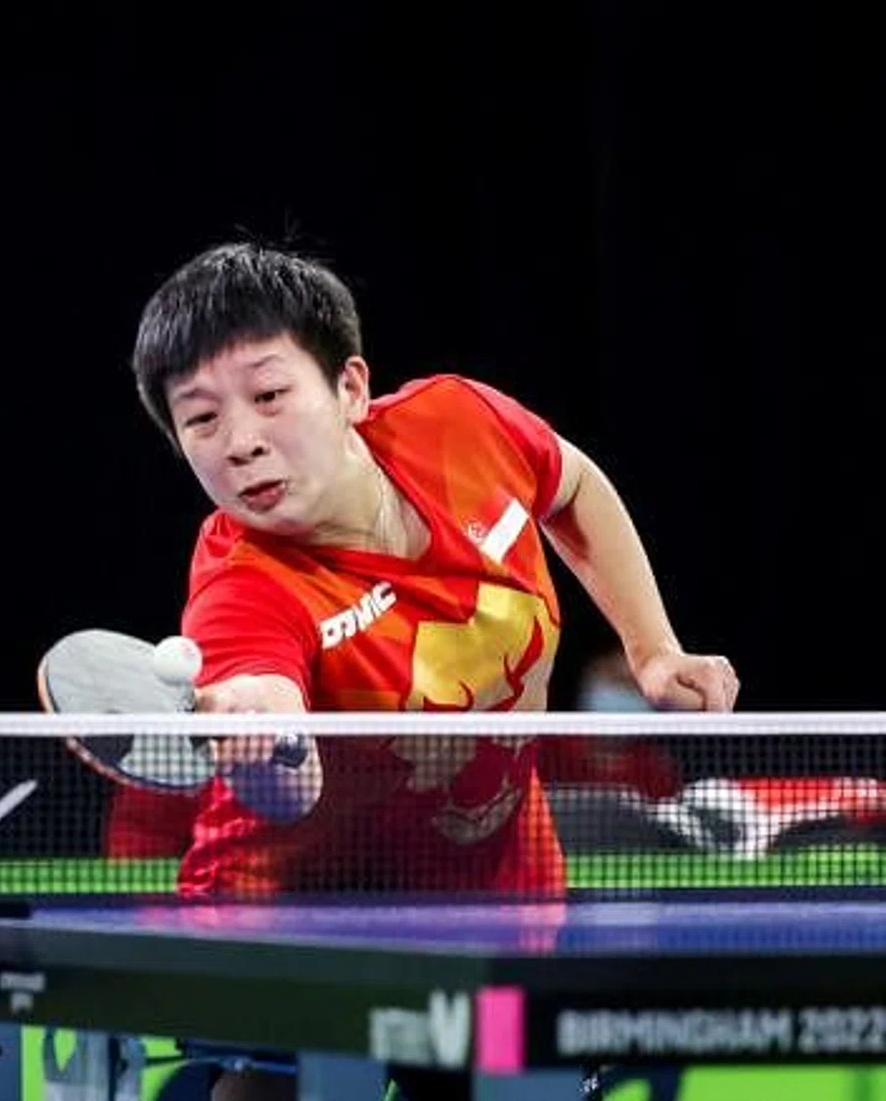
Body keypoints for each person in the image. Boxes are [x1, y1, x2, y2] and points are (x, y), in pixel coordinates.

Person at [129, 241, 738, 1101]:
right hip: (297, 924)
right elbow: (273, 730)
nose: (241, 443)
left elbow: (572, 485)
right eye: (201, 419)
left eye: (270, 396)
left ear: (348, 388)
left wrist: (652, 647)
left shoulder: (458, 424)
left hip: (498, 899)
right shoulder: (241, 588)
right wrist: (267, 743)